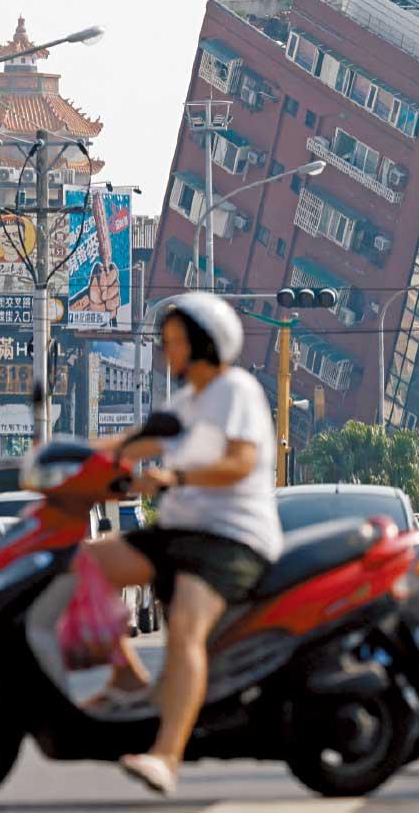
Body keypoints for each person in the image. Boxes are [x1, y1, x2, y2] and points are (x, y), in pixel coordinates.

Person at [83, 292, 282, 797]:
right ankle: (126, 676)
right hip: (179, 533)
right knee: (82, 564)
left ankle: (166, 756)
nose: (166, 350)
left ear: (205, 345)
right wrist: (68, 455)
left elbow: (239, 462)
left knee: (186, 630)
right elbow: (136, 442)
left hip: (231, 538)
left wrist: (175, 477)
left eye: (175, 341)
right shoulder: (185, 402)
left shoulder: (236, 391)